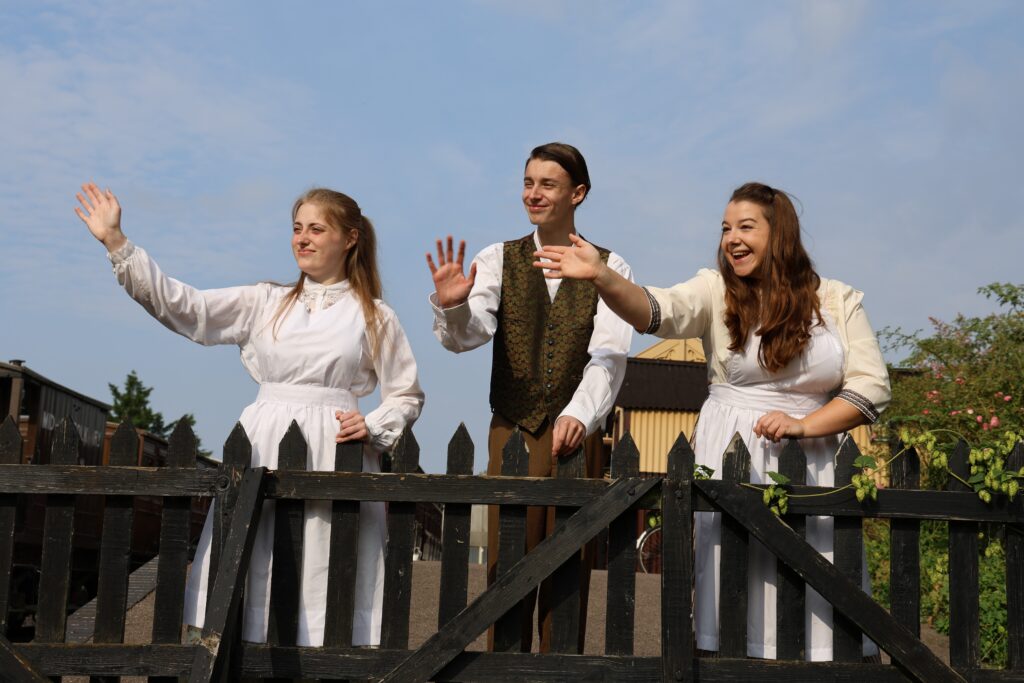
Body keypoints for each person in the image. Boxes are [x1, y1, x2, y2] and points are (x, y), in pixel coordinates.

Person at [533, 182, 890, 661]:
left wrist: (805, 426)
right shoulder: (715, 290)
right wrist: (603, 278)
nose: (732, 239)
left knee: (823, 584)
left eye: (746, 227)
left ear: (779, 233)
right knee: (731, 582)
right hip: (732, 455)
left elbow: (871, 387)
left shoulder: (838, 299)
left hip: (817, 465)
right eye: (725, 228)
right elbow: (657, 310)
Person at [75, 182, 424, 647]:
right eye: (297, 228)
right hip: (264, 444)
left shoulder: (376, 316)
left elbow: (406, 393)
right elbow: (186, 308)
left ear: (350, 237)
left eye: (316, 229)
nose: (302, 238)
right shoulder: (265, 301)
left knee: (326, 563)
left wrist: (375, 425)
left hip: (336, 450)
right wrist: (118, 244)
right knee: (252, 556)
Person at [426, 143, 633, 652]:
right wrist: (453, 307)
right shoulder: (497, 258)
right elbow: (468, 335)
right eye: (527, 182)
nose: (532, 194)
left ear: (577, 193)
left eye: (547, 184)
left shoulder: (611, 265)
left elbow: (608, 356)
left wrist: (580, 415)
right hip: (512, 429)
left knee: (568, 571)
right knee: (506, 566)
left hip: (574, 435)